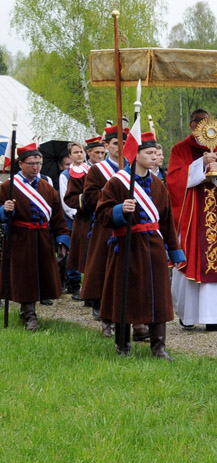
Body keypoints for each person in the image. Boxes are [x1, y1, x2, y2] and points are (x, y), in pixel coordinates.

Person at [96, 133, 184, 359]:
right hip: (127, 246)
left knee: (159, 297)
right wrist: (119, 210)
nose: (155, 157)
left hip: (154, 247)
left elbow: (166, 222)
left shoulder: (158, 185)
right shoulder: (117, 182)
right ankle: (123, 345)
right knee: (125, 295)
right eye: (149, 153)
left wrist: (174, 252)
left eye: (156, 153)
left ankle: (159, 348)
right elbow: (101, 214)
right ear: (136, 155)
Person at [167, 109, 217, 331]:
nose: (204, 125)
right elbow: (173, 180)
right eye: (200, 121)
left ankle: (214, 317)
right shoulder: (180, 149)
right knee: (190, 259)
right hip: (191, 218)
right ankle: (188, 315)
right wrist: (199, 165)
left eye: (208, 120)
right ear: (192, 124)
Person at [0, 143, 70, 331]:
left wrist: (62, 237)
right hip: (19, 238)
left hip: (42, 238)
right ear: (21, 164)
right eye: (31, 163)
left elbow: (57, 216)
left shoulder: (48, 188)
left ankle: (28, 310)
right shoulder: (8, 187)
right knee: (25, 277)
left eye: (38, 163)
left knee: (41, 275)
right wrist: (4, 210)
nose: (35, 167)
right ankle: (30, 315)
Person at [79, 125, 130, 337]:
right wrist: (111, 193)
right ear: (107, 145)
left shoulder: (134, 167)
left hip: (130, 225)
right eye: (117, 143)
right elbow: (89, 198)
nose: (121, 147)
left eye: (125, 143)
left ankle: (135, 319)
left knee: (130, 271)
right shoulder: (97, 171)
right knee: (104, 270)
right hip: (105, 225)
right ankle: (105, 317)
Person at [64, 136, 104, 301]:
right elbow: (70, 199)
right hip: (88, 220)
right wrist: (88, 199)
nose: (100, 156)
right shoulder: (79, 173)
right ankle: (91, 296)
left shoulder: (112, 170)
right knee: (89, 260)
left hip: (107, 218)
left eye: (103, 152)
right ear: (89, 153)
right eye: (97, 153)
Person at [59, 141, 87, 297]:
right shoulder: (65, 175)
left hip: (89, 217)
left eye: (81, 152)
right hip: (74, 217)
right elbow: (65, 200)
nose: (79, 155)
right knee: (73, 251)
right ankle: (73, 283)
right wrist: (75, 214)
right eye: (75, 152)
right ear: (70, 155)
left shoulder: (90, 170)